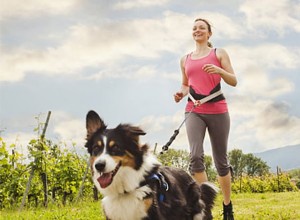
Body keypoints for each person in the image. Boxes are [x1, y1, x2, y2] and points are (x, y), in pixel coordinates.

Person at [174, 18, 237, 220]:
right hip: (194, 109)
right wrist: (180, 93)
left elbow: (233, 80)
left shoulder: (218, 53)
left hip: (217, 109)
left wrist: (219, 70)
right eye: (194, 28)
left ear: (209, 33)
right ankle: (205, 207)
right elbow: (186, 85)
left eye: (202, 28)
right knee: (195, 157)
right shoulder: (185, 59)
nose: (197, 30)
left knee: (221, 162)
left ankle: (227, 206)